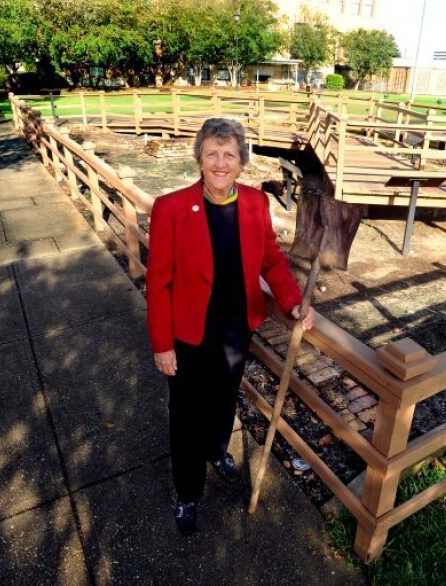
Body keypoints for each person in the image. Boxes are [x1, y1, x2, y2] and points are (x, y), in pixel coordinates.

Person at [146, 118, 314, 536]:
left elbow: (271, 259)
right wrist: (162, 345)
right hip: (187, 335)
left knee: (223, 399)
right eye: (212, 154)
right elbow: (158, 283)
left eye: (229, 155)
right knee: (185, 416)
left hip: (236, 329)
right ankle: (187, 492)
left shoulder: (256, 204)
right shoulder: (170, 208)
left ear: (241, 162)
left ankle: (217, 449)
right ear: (200, 159)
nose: (220, 163)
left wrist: (292, 301)